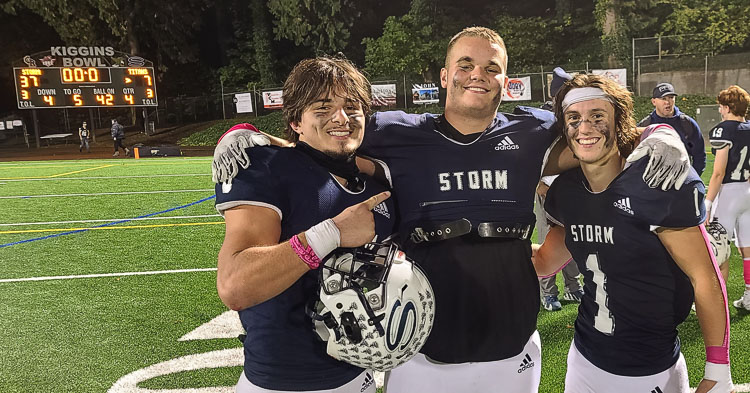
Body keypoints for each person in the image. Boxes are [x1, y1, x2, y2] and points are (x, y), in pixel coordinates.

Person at [212, 27, 691, 393]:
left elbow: (600, 141)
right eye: (465, 64)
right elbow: (327, 138)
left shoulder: (533, 132)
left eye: (491, 67)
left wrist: (660, 134)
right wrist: (248, 137)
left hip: (512, 340)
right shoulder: (395, 132)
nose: (477, 75)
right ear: (444, 76)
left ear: (508, 80)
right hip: (421, 345)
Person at [533, 73, 733, 393]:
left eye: (597, 116)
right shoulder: (569, 190)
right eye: (574, 118)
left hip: (650, 371)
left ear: (620, 120)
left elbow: (704, 277)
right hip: (584, 359)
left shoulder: (655, 177)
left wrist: (719, 368)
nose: (584, 127)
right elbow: (544, 260)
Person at [215, 57, 395, 393]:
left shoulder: (375, 184)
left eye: (352, 106)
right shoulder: (267, 168)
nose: (341, 118)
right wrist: (331, 234)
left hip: (360, 376)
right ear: (297, 120)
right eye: (323, 108)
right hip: (283, 384)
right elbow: (235, 285)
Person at [537, 67, 583, 311]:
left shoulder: (576, 115)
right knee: (548, 240)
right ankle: (548, 292)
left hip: (571, 188)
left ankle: (573, 286)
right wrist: (542, 184)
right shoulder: (542, 119)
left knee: (572, 236)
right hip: (547, 189)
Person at [706, 85, 750, 310]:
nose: (720, 111)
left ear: (728, 107)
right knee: (747, 247)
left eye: (722, 106)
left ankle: (716, 299)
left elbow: (719, 173)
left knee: (719, 246)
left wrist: (707, 202)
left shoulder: (723, 130)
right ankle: (749, 296)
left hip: (729, 194)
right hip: (747, 192)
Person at [638, 82, 706, 175]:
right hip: (652, 184)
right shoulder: (645, 126)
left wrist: (691, 179)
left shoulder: (687, 124)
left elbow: (699, 155)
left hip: (682, 182)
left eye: (671, 97)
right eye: (663, 98)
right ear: (654, 102)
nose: (668, 102)